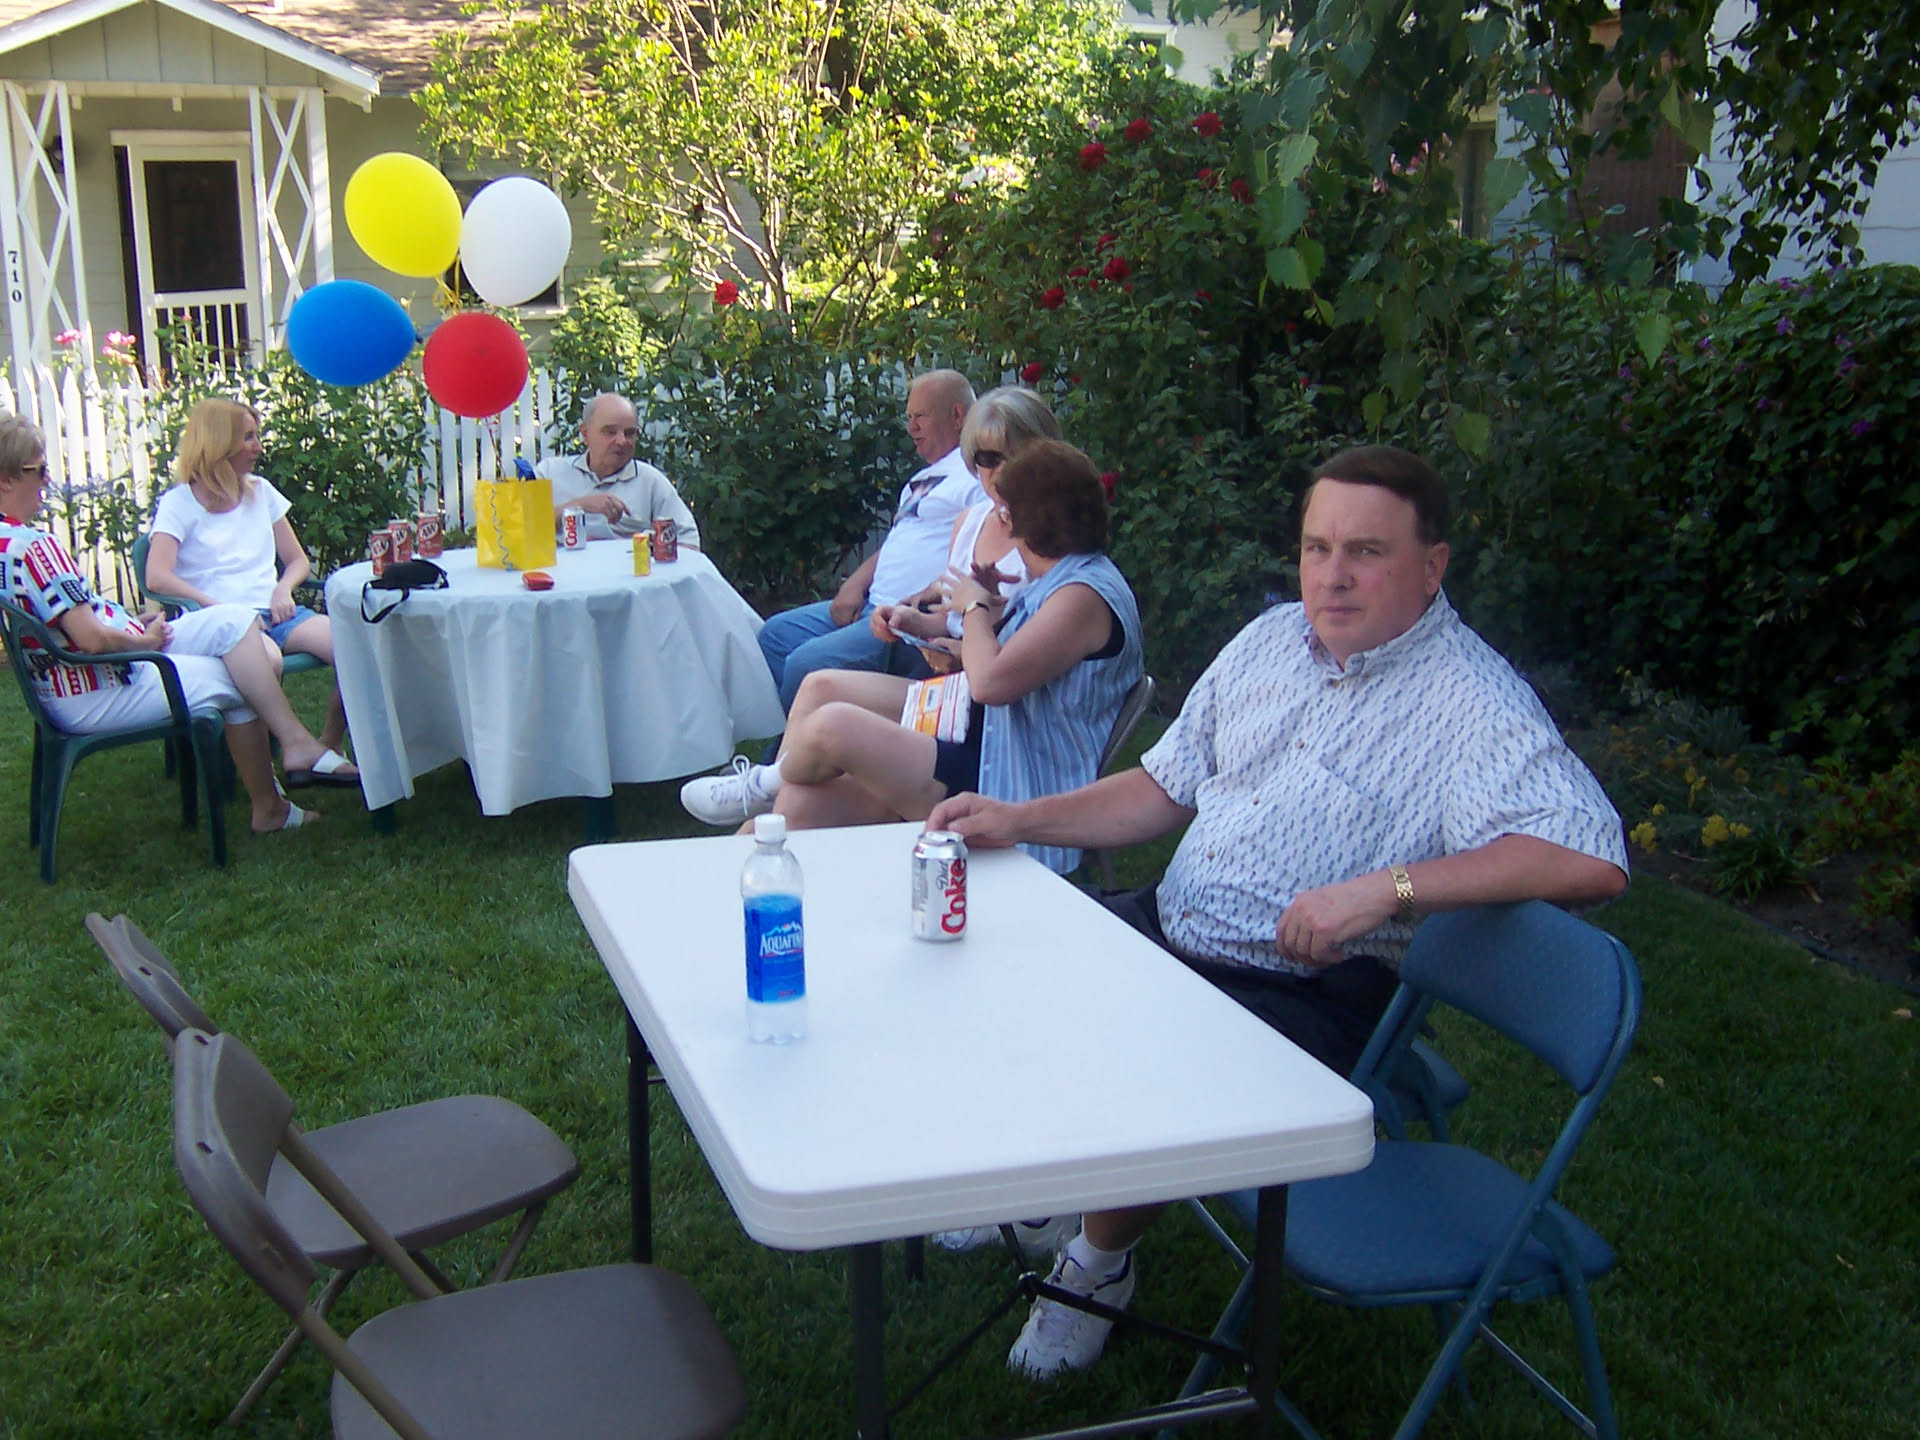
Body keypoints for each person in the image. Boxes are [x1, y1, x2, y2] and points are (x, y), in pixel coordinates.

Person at [924, 444, 1630, 1380]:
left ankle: (1098, 1262)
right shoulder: (1270, 641)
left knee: (1147, 1055)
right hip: (1177, 927)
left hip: (1304, 989)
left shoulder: (1473, 705)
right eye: (1316, 547)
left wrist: (1386, 889)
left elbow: (1589, 857)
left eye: (1366, 552)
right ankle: (1058, 1182)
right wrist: (1019, 819)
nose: (1332, 576)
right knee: (1002, 961)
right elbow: (1165, 787)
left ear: (1432, 567)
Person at [683, 441, 1142, 864]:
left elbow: (991, 683)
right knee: (819, 702)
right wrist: (964, 619)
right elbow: (1011, 664)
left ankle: (766, 785)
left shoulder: (1080, 596)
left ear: (1021, 520)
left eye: (1003, 511)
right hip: (978, 728)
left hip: (1004, 773)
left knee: (831, 728)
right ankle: (759, 828)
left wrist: (976, 607)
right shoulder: (1065, 578)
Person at [1, 413, 351, 832]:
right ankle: (275, 796)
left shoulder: (9, 543)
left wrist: (130, 623)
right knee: (244, 673)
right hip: (105, 678)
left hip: (77, 677)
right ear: (6, 479)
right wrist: (142, 641)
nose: (47, 479)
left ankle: (297, 753)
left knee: (234, 628)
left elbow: (67, 625)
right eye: (39, 469)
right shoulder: (35, 546)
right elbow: (92, 640)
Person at [144, 397, 353, 773]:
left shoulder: (261, 491)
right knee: (268, 661)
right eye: (248, 437)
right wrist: (220, 610)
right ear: (218, 442)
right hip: (227, 625)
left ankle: (328, 744)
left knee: (356, 647)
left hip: (277, 613)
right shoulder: (179, 503)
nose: (258, 447)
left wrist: (283, 589)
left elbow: (298, 559)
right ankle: (270, 773)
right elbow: (157, 575)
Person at [756, 370, 979, 709]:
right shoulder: (924, 478)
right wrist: (855, 584)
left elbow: (978, 550)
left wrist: (929, 595)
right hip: (871, 604)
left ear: (957, 416)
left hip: (904, 618)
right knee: (775, 635)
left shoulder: (976, 476)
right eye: (908, 418)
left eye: (920, 416)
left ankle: (803, 738)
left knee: (804, 664)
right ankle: (823, 725)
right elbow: (898, 540)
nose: (911, 427)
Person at [868, 385, 1060, 667]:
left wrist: (965, 652)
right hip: (955, 673)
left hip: (1002, 681)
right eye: (988, 459)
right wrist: (912, 621)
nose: (1003, 469)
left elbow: (1047, 646)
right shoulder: (969, 522)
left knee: (820, 681)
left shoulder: (1054, 532)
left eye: (1015, 455)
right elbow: (951, 621)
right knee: (820, 684)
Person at [535, 392, 701, 548]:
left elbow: (689, 541)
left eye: (629, 433)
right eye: (610, 432)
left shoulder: (650, 481)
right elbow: (522, 529)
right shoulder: (550, 473)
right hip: (563, 568)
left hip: (631, 567)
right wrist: (579, 506)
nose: (622, 441)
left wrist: (643, 547)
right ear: (585, 434)